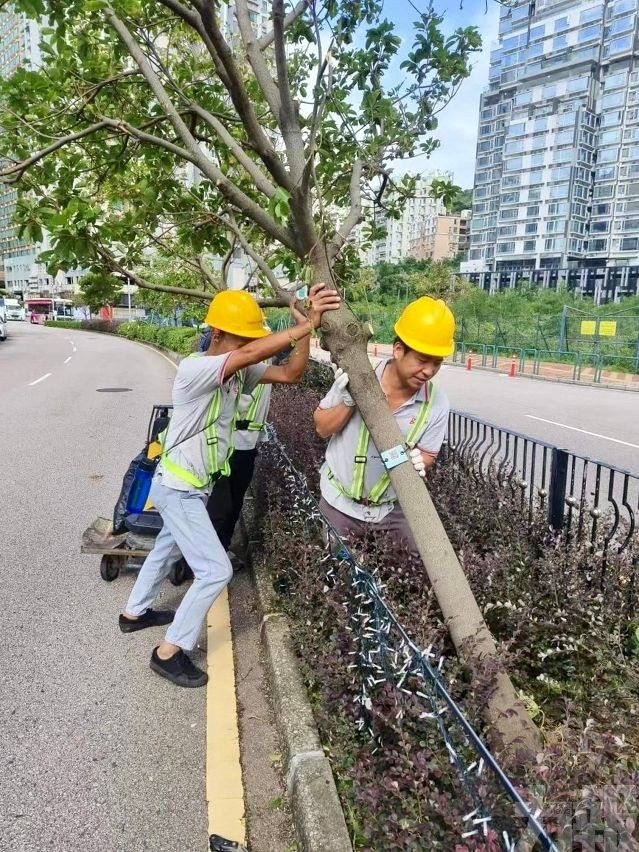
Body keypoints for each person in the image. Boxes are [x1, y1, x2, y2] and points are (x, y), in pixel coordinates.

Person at [119, 284, 340, 688]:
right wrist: (307, 322)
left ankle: (134, 613)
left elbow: (290, 372)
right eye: (242, 339)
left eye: (252, 340)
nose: (251, 347)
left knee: (167, 547)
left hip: (189, 486)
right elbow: (254, 354)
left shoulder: (239, 372)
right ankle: (169, 651)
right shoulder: (194, 369)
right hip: (180, 488)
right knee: (215, 570)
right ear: (217, 335)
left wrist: (303, 332)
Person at [313, 296, 454, 560]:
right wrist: (348, 402)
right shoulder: (358, 378)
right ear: (399, 349)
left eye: (437, 363)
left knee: (412, 572)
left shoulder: (436, 403)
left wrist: (419, 460)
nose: (429, 371)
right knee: (340, 578)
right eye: (423, 360)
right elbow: (321, 428)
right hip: (339, 503)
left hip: (391, 509)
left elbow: (429, 453)